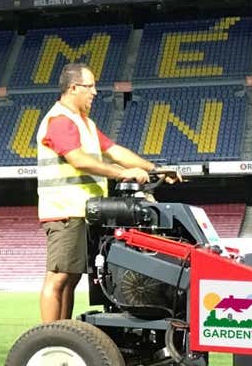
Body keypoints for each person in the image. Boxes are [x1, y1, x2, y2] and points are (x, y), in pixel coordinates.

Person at [36, 62, 176, 323]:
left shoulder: (84, 123)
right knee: (58, 277)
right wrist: (121, 173)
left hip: (82, 212)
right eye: (90, 86)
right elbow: (79, 160)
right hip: (65, 211)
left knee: (71, 278)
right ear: (73, 87)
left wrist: (155, 169)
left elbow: (115, 151)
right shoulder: (60, 121)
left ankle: (63, 332)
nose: (95, 92)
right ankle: (49, 336)